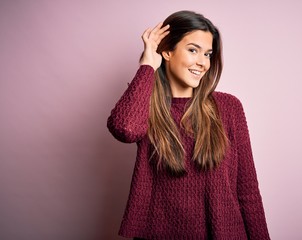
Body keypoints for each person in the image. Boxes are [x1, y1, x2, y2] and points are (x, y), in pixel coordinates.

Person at [107, 10, 270, 240]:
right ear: (167, 51)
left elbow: (248, 191)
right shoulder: (145, 104)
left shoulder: (229, 107)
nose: (202, 63)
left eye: (208, 54)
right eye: (193, 50)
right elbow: (125, 129)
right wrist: (147, 66)